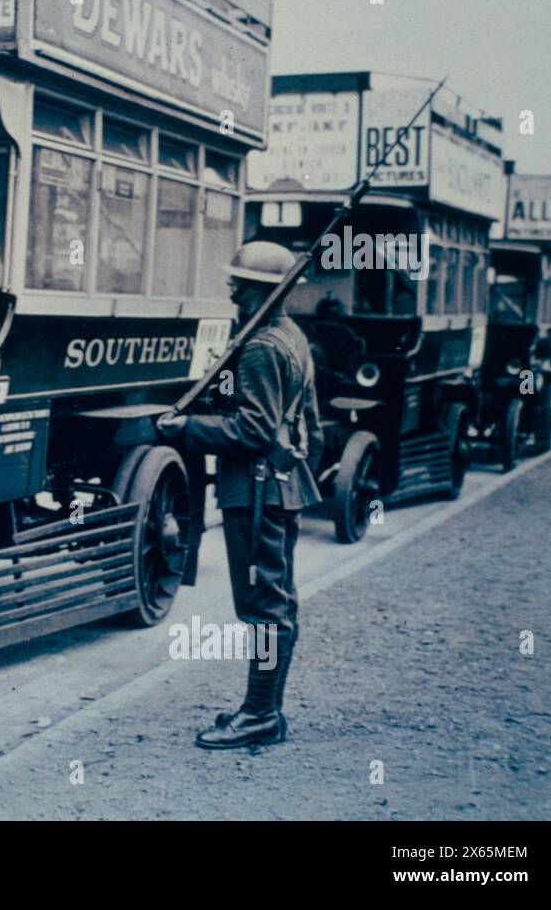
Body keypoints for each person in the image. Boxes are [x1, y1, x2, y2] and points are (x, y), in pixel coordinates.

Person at [156, 240, 322, 749]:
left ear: (265, 291)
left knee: (263, 607)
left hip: (254, 492)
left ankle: (261, 714)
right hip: (277, 488)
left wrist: (185, 428)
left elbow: (251, 429)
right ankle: (262, 708)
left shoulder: (261, 347)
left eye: (241, 285)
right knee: (274, 602)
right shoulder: (289, 337)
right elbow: (307, 425)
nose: (231, 290)